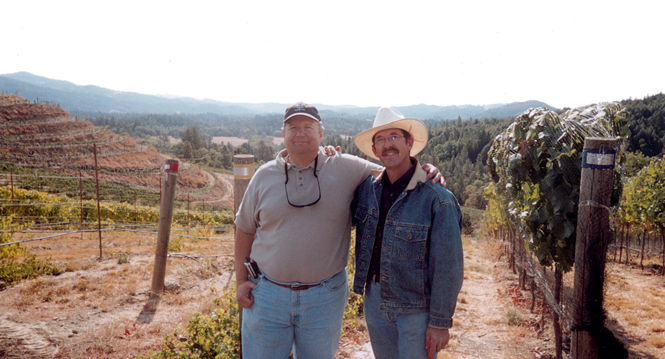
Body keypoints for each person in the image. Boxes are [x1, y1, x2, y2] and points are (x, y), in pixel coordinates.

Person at [234, 102, 443, 359]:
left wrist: (426, 170)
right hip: (267, 296)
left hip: (324, 299)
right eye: (293, 128)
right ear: (283, 133)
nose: (300, 133)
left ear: (321, 133)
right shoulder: (263, 176)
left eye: (308, 127)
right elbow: (243, 229)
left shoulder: (345, 166)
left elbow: (395, 169)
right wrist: (241, 280)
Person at [351, 107, 464, 359]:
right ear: (374, 149)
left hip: (416, 310)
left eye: (394, 137)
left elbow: (448, 266)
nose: (387, 145)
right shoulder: (366, 191)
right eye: (380, 139)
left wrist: (440, 322)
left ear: (409, 143)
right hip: (375, 302)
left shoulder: (437, 199)